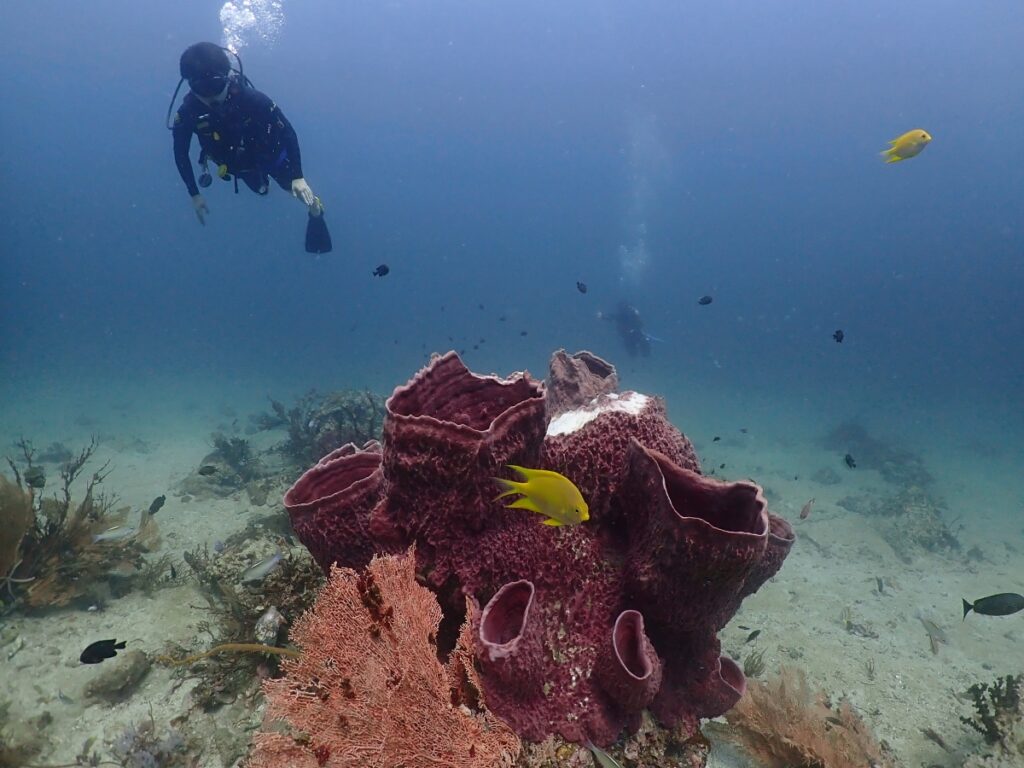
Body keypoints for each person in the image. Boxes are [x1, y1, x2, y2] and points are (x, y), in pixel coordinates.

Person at [170, 42, 331, 253]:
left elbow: (288, 132)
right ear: (190, 85)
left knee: (299, 193)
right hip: (237, 165)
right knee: (261, 190)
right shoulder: (188, 111)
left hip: (272, 156)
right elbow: (180, 152)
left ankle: (315, 212)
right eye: (201, 88)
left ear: (227, 77)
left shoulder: (252, 99)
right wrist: (194, 194)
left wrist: (298, 177)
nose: (210, 97)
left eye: (215, 86)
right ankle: (267, 186)